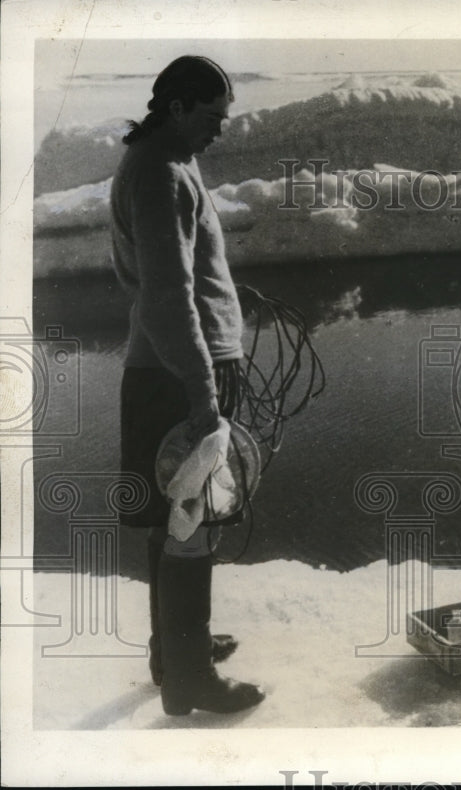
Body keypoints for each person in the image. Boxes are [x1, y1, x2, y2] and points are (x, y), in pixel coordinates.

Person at [112, 55, 264, 716]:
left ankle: (172, 651)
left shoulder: (166, 158)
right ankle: (190, 677)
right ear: (176, 107)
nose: (219, 131)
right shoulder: (159, 173)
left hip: (170, 366)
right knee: (191, 522)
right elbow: (168, 300)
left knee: (176, 519)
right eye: (209, 117)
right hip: (178, 374)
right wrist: (204, 392)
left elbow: (179, 277)